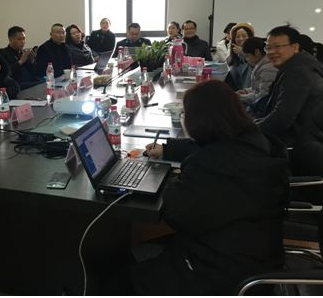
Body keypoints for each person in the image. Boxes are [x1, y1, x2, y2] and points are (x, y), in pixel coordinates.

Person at [114, 80, 289, 296]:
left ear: (198, 122)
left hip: (219, 272)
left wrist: (174, 180)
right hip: (254, 256)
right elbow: (211, 146)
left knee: (121, 276)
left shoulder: (211, 167)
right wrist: (168, 150)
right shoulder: (251, 141)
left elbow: (175, 213)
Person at [257, 24, 323, 147]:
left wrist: (249, 130)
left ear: (295, 47)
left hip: (293, 144)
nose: (271, 52)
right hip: (294, 138)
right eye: (268, 48)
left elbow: (281, 119)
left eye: (277, 47)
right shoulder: (297, 68)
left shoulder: (298, 73)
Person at [237, 37, 278, 117]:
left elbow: (263, 96)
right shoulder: (261, 64)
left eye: (247, 56)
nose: (247, 59)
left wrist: (240, 97)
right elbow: (257, 88)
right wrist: (246, 91)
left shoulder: (268, 69)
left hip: (263, 110)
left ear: (257, 52)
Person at [226, 22, 255, 91]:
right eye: (237, 36)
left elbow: (256, 66)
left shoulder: (256, 53)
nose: (241, 39)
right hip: (236, 92)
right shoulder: (229, 58)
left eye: (244, 36)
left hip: (251, 92)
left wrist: (242, 53)